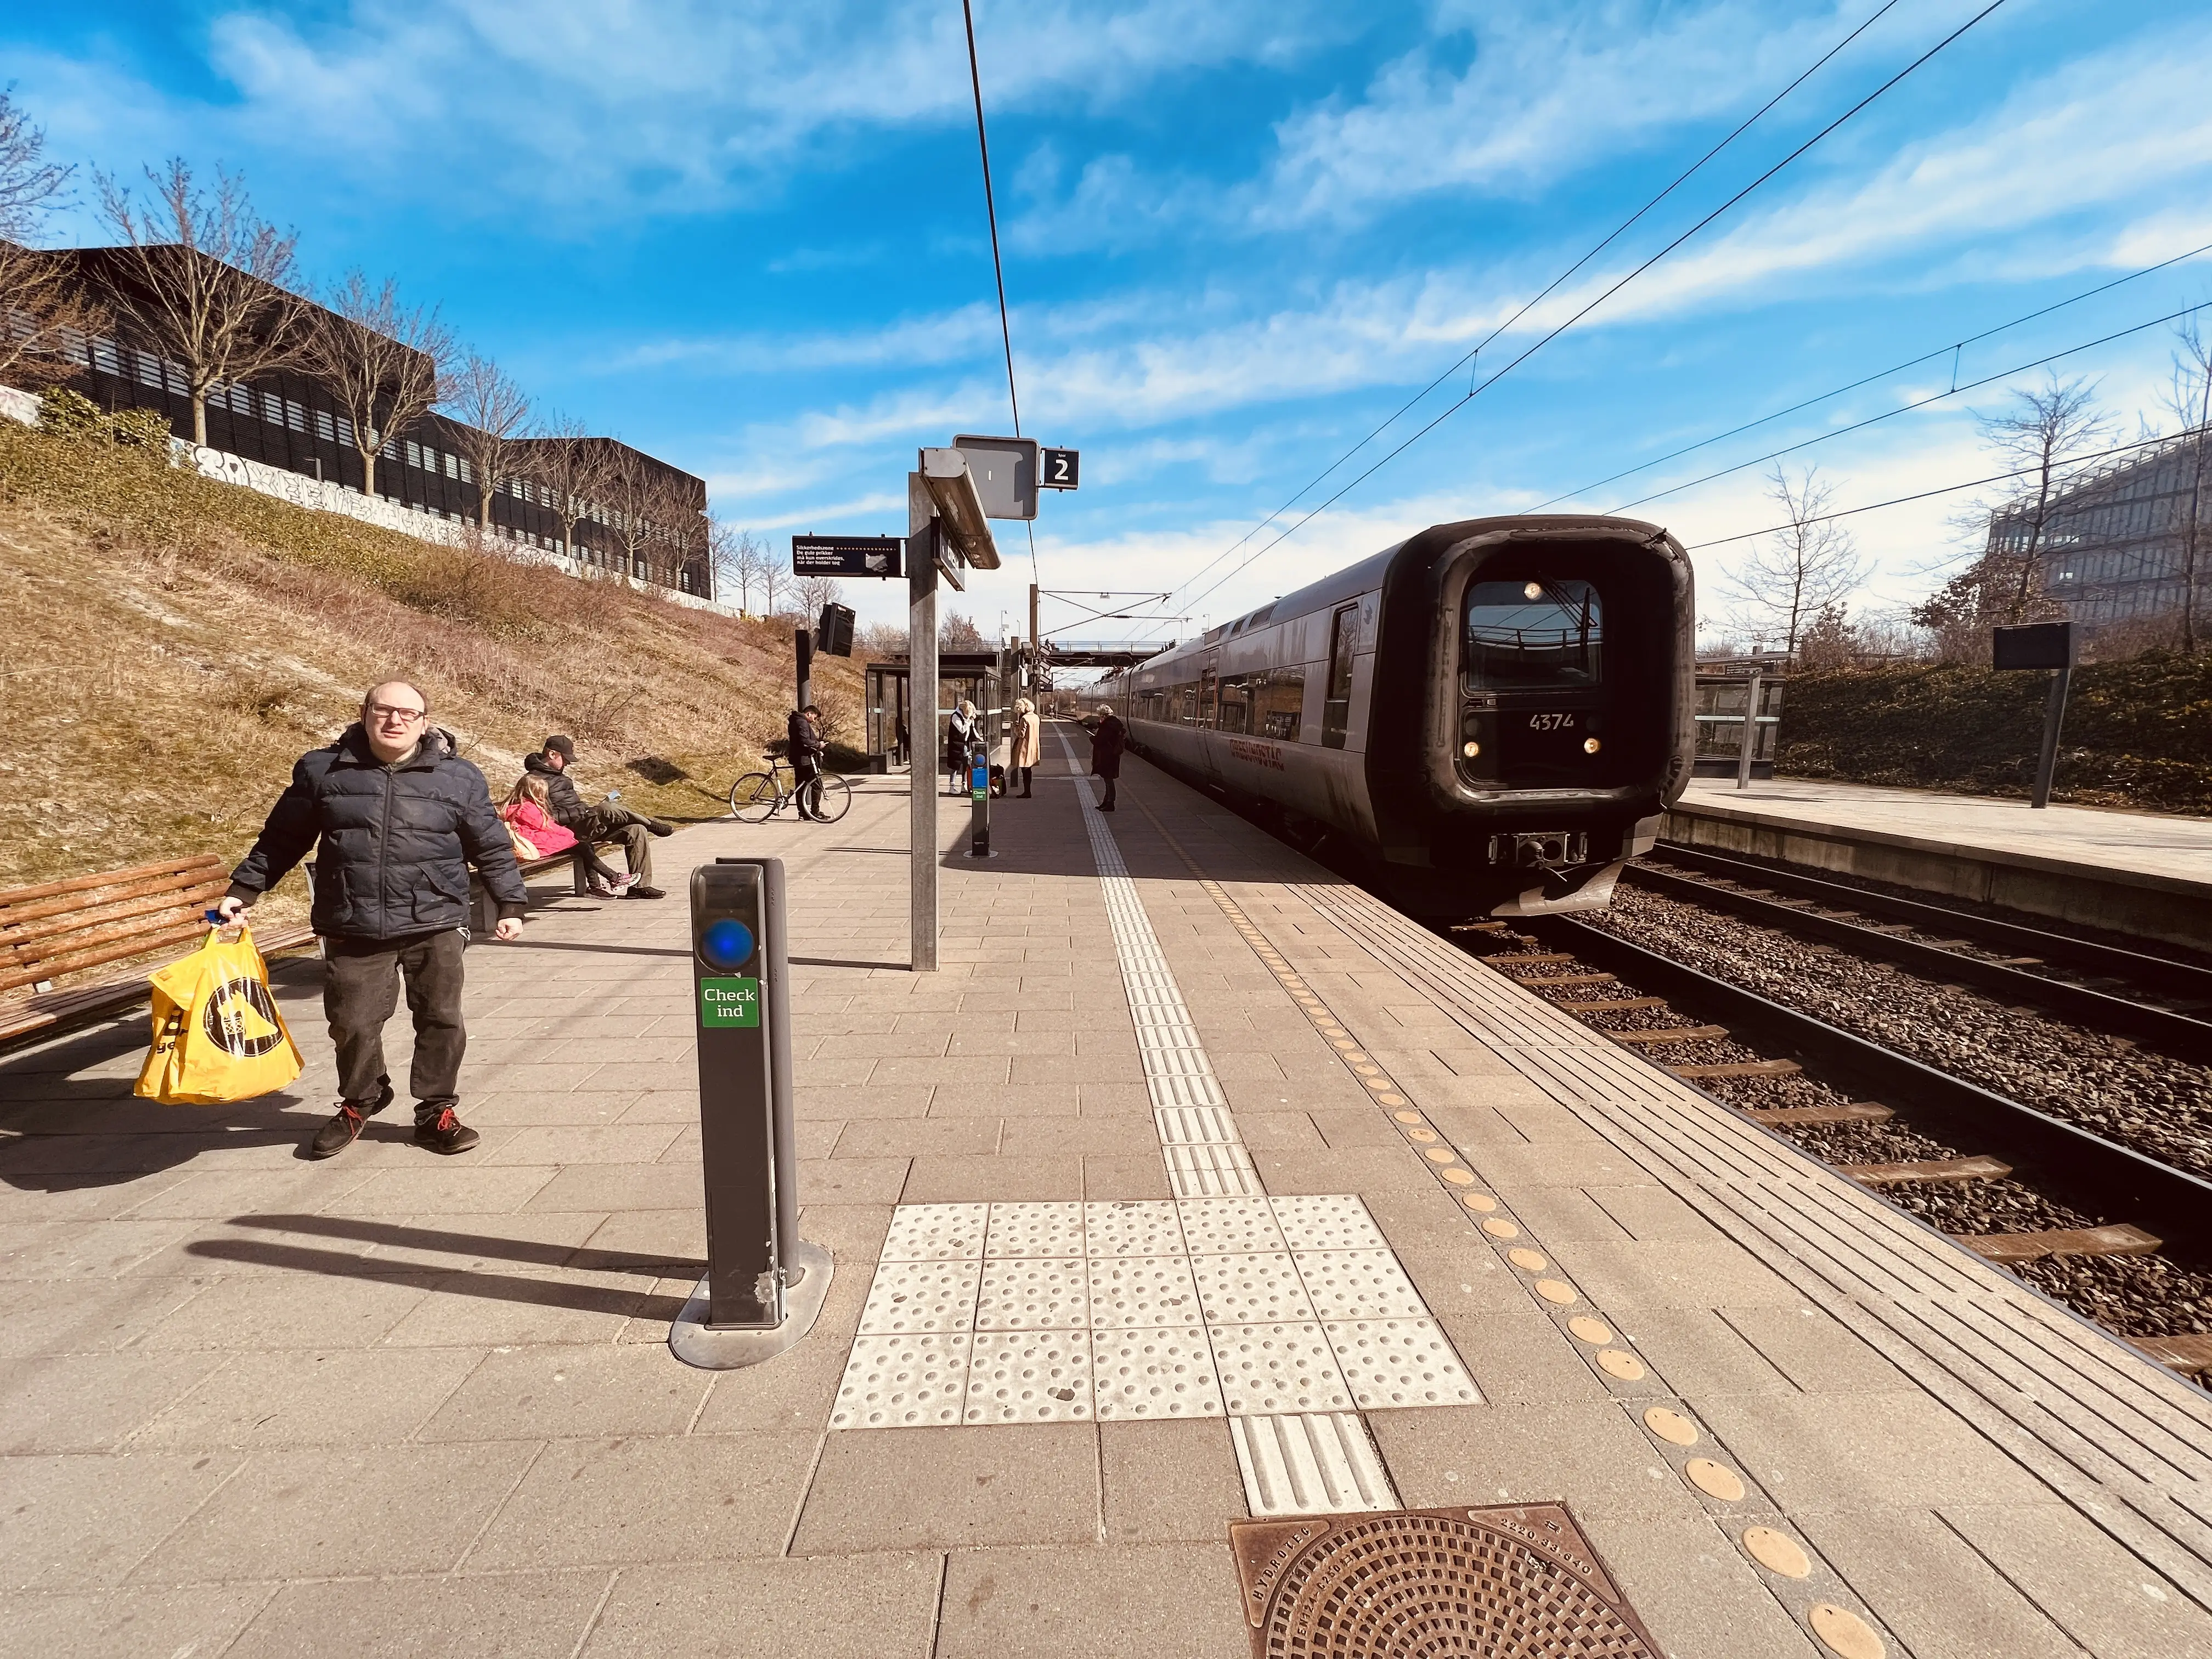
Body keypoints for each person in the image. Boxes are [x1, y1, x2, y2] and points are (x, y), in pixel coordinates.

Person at [217, 680, 527, 1159]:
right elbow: (282, 838)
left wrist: (510, 904)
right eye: (383, 710)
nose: (394, 720)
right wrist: (244, 890)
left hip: (434, 917)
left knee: (441, 1019)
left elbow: (490, 844)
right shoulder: (323, 770)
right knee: (351, 1023)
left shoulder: (458, 777)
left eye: (408, 713)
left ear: (425, 723)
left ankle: (436, 1111)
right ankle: (362, 1098)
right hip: (353, 919)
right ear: (365, 714)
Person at [524, 735, 671, 899]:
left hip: (583, 823)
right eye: (565, 759)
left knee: (636, 830)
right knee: (606, 809)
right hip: (566, 831)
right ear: (552, 754)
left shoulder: (560, 777)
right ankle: (650, 824)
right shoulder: (532, 781)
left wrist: (584, 810)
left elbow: (573, 805)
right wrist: (578, 813)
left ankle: (639, 887)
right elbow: (541, 817)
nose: (567, 764)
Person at [501, 774, 635, 895]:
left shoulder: (518, 806)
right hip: (537, 845)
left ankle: (597, 885)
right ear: (533, 793)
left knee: (585, 846)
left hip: (538, 842)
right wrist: (569, 833)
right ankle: (613, 878)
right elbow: (546, 826)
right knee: (582, 847)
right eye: (541, 794)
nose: (543, 797)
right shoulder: (526, 808)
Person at [787, 703, 827, 821]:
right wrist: (818, 745)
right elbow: (804, 740)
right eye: (814, 718)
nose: (814, 721)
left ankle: (803, 813)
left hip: (799, 758)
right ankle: (815, 812)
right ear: (809, 714)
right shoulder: (802, 722)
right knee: (817, 785)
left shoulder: (795, 721)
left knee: (801, 786)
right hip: (805, 759)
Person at [1091, 702, 1127, 812]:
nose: (1100, 718)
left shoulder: (1108, 726)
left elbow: (1100, 740)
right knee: (1108, 780)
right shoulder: (1114, 724)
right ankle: (1106, 802)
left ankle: (1110, 803)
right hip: (1113, 756)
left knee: (1109, 781)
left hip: (1108, 757)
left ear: (1104, 716)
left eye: (1100, 716)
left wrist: (1092, 738)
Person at [947, 699, 981, 797]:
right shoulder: (955, 716)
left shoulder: (969, 718)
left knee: (966, 763)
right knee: (955, 765)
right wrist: (969, 720)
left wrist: (978, 737)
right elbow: (962, 729)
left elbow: (972, 729)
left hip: (965, 743)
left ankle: (964, 784)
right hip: (956, 743)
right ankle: (952, 786)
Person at [1009, 697, 1041, 798]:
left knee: (1025, 770)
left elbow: (1021, 734)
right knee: (1028, 770)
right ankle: (1028, 791)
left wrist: (1015, 727)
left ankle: (1027, 792)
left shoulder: (1024, 718)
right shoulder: (1036, 717)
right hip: (1033, 746)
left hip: (1025, 747)